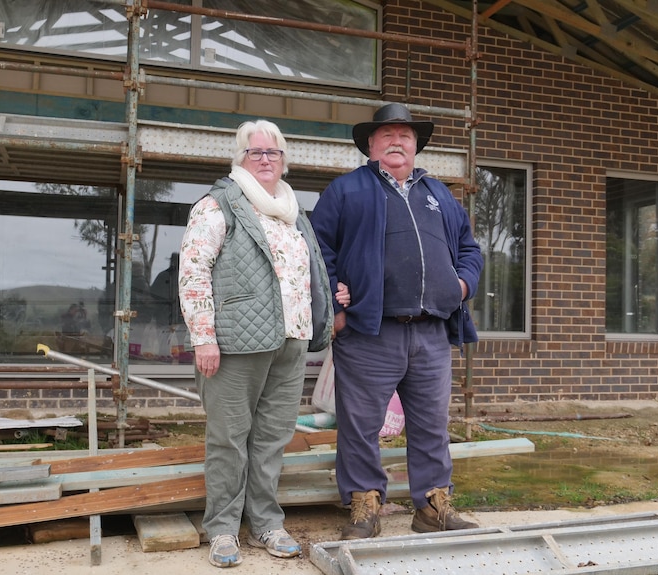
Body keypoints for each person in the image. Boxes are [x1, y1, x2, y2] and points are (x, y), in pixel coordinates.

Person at [310, 102, 484, 540]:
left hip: (430, 331)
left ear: (415, 146)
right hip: (370, 331)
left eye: (404, 135)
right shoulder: (346, 190)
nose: (396, 141)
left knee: (431, 425)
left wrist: (460, 287)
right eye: (386, 135)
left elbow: (469, 250)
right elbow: (316, 251)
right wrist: (336, 304)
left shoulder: (439, 193)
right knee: (361, 425)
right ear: (371, 145)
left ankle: (432, 507)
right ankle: (365, 505)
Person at [178, 119, 334, 568]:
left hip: (291, 339)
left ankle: (266, 521)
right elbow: (193, 275)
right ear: (240, 158)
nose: (266, 159)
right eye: (256, 152)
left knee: (272, 438)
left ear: (284, 160)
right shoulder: (217, 205)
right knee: (229, 439)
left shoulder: (292, 209)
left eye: (274, 152)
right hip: (233, 343)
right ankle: (223, 531)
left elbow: (308, 272)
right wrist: (203, 337)